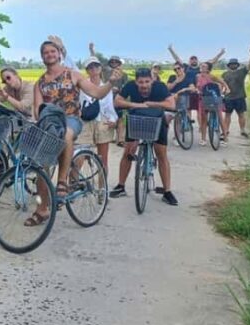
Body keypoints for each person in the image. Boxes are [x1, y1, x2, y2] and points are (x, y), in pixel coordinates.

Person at [27, 40, 121, 224]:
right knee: (41, 166)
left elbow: (97, 93)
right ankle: (42, 210)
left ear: (59, 53)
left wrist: (110, 82)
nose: (50, 54)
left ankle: (62, 181)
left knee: (67, 133)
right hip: (50, 123)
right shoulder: (39, 83)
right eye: (45, 52)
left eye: (53, 51)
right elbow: (37, 110)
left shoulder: (73, 75)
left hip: (71, 119)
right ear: (42, 57)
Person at [110, 67, 178, 206]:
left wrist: (153, 104)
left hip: (157, 120)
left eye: (147, 81)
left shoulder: (160, 87)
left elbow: (171, 104)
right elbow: (117, 101)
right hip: (137, 119)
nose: (144, 85)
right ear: (136, 82)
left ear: (152, 80)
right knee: (128, 152)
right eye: (141, 82)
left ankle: (167, 191)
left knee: (161, 154)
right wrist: (135, 105)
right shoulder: (130, 85)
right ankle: (121, 185)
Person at [76, 56, 118, 174]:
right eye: (90, 67)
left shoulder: (106, 87)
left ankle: (102, 189)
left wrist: (113, 119)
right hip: (85, 121)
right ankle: (73, 186)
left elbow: (110, 106)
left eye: (96, 66)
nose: (93, 69)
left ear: (100, 68)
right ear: (87, 70)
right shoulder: (81, 85)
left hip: (102, 121)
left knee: (102, 159)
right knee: (79, 156)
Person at [167, 45, 225, 122]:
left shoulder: (201, 68)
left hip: (199, 90)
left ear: (197, 61)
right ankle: (187, 124)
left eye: (195, 59)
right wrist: (171, 50)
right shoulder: (186, 67)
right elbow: (177, 59)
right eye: (192, 59)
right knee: (188, 109)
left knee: (199, 110)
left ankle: (201, 127)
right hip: (189, 90)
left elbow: (212, 61)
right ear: (189, 61)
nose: (193, 60)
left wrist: (220, 53)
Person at [221, 46, 250, 139]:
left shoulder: (242, 72)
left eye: (234, 64)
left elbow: (249, 65)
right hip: (228, 98)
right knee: (227, 115)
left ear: (237, 65)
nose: (233, 65)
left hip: (240, 97)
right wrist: (221, 92)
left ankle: (242, 130)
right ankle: (226, 130)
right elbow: (222, 84)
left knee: (241, 114)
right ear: (229, 65)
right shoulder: (224, 74)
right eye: (231, 64)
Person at [195, 61, 229, 146]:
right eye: (201, 66)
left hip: (213, 98)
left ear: (208, 69)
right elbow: (197, 86)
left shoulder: (211, 76)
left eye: (204, 66)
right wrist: (197, 90)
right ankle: (203, 139)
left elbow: (222, 82)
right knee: (203, 119)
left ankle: (225, 138)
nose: (202, 67)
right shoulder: (197, 76)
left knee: (220, 117)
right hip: (203, 98)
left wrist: (227, 89)